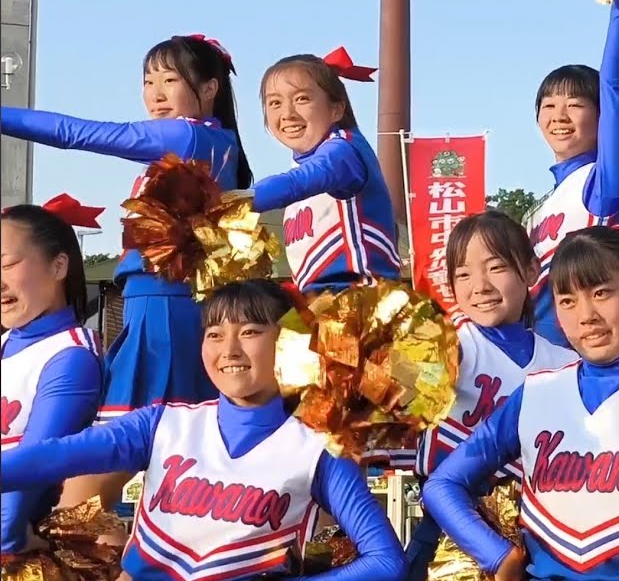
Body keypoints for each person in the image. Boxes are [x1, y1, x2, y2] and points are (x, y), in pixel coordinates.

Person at [0, 279, 407, 581]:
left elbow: (386, 561)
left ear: (291, 343)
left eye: (250, 332)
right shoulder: (163, 423)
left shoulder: (317, 449)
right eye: (214, 335)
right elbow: (54, 456)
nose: (229, 350)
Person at [0, 34, 251, 521]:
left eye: (170, 80)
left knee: (90, 484)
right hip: (164, 305)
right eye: (148, 81)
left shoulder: (189, 136)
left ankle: (53, 547)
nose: (155, 93)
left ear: (209, 88)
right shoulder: (216, 144)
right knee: (170, 455)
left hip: (161, 307)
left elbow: (79, 133)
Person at [425, 226, 619, 581]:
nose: (586, 315)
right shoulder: (535, 394)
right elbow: (442, 485)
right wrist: (497, 555)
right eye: (567, 301)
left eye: (601, 293)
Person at [403, 211, 577, 578]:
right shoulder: (450, 345)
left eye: (496, 267)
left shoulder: (565, 363)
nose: (479, 286)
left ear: (531, 270)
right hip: (450, 535)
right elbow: (400, 388)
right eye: (463, 274)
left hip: (539, 540)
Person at [526, 0, 619, 348]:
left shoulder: (603, 183)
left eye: (574, 104)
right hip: (547, 365)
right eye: (548, 105)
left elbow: (616, 89)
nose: (559, 115)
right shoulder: (539, 210)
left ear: (602, 116)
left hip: (594, 356)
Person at [247, 48, 401, 293]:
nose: (287, 114)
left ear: (336, 109)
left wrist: (232, 201)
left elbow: (299, 182)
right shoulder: (302, 162)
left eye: (301, 99)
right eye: (275, 103)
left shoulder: (343, 150)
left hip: (359, 298)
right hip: (319, 299)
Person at [0, 197, 103, 553]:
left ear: (59, 266)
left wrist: (10, 537)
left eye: (7, 265)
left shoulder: (71, 356)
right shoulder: (5, 344)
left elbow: (32, 467)